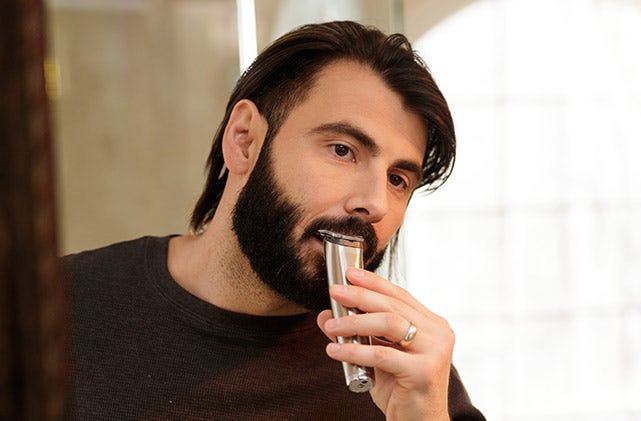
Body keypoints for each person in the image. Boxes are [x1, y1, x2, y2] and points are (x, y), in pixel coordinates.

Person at [64, 21, 486, 420]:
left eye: (397, 179)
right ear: (245, 140)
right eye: (342, 150)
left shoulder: (408, 373)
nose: (374, 203)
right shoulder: (58, 306)